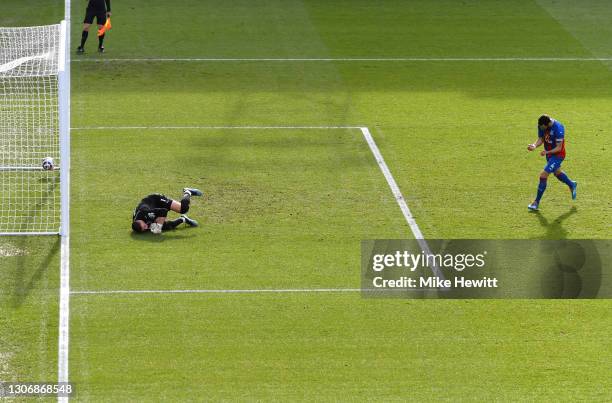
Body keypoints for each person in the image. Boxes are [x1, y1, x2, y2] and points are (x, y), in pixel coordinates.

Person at [527, 115, 577, 211]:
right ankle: (572, 184)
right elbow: (541, 139)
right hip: (549, 154)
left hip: (558, 155)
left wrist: (547, 152)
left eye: (542, 127)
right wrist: (534, 145)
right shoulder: (542, 124)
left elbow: (559, 147)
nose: (541, 129)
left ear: (548, 124)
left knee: (543, 175)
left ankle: (536, 203)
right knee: (557, 173)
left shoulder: (558, 128)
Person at [132, 188, 203, 234]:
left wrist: (159, 226)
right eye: (144, 229)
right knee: (165, 227)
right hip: (153, 210)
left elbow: (164, 211)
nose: (146, 227)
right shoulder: (137, 223)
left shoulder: (144, 212)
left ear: (139, 221)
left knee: (184, 209)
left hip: (157, 200)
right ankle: (183, 219)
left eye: (144, 226)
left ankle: (188, 192)